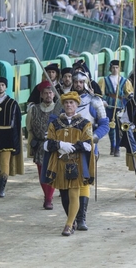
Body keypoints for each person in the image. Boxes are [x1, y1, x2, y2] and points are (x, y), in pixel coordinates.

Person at [42, 91, 95, 236]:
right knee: (64, 196)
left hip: (76, 163)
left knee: (74, 193)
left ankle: (69, 225)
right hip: (60, 164)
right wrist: (60, 144)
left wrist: (74, 147)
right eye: (66, 103)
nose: (68, 105)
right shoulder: (55, 123)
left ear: (77, 105)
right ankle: (72, 221)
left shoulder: (85, 123)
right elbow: (46, 145)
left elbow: (88, 145)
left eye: (71, 103)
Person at [71, 71, 109, 231]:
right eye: (76, 82)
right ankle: (71, 216)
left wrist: (94, 137)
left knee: (85, 180)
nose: (78, 84)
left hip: (88, 148)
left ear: (86, 83)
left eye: (81, 82)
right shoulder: (67, 101)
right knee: (70, 182)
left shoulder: (95, 101)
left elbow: (104, 124)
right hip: (69, 147)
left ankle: (81, 218)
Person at [26, 81, 62, 210]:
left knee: (51, 172)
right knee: (42, 173)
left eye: (50, 92)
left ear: (54, 94)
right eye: (45, 93)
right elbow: (29, 129)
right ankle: (47, 195)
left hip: (54, 146)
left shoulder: (59, 110)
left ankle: (48, 198)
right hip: (40, 145)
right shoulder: (33, 109)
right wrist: (30, 148)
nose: (48, 95)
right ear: (41, 95)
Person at [98, 60, 134, 157]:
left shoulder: (124, 81)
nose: (115, 69)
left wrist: (130, 96)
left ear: (119, 69)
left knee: (119, 128)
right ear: (110, 68)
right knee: (110, 126)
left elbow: (129, 92)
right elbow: (101, 93)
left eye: (117, 67)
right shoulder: (104, 80)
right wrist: (103, 100)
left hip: (120, 106)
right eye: (113, 67)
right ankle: (112, 145)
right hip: (109, 105)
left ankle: (117, 147)